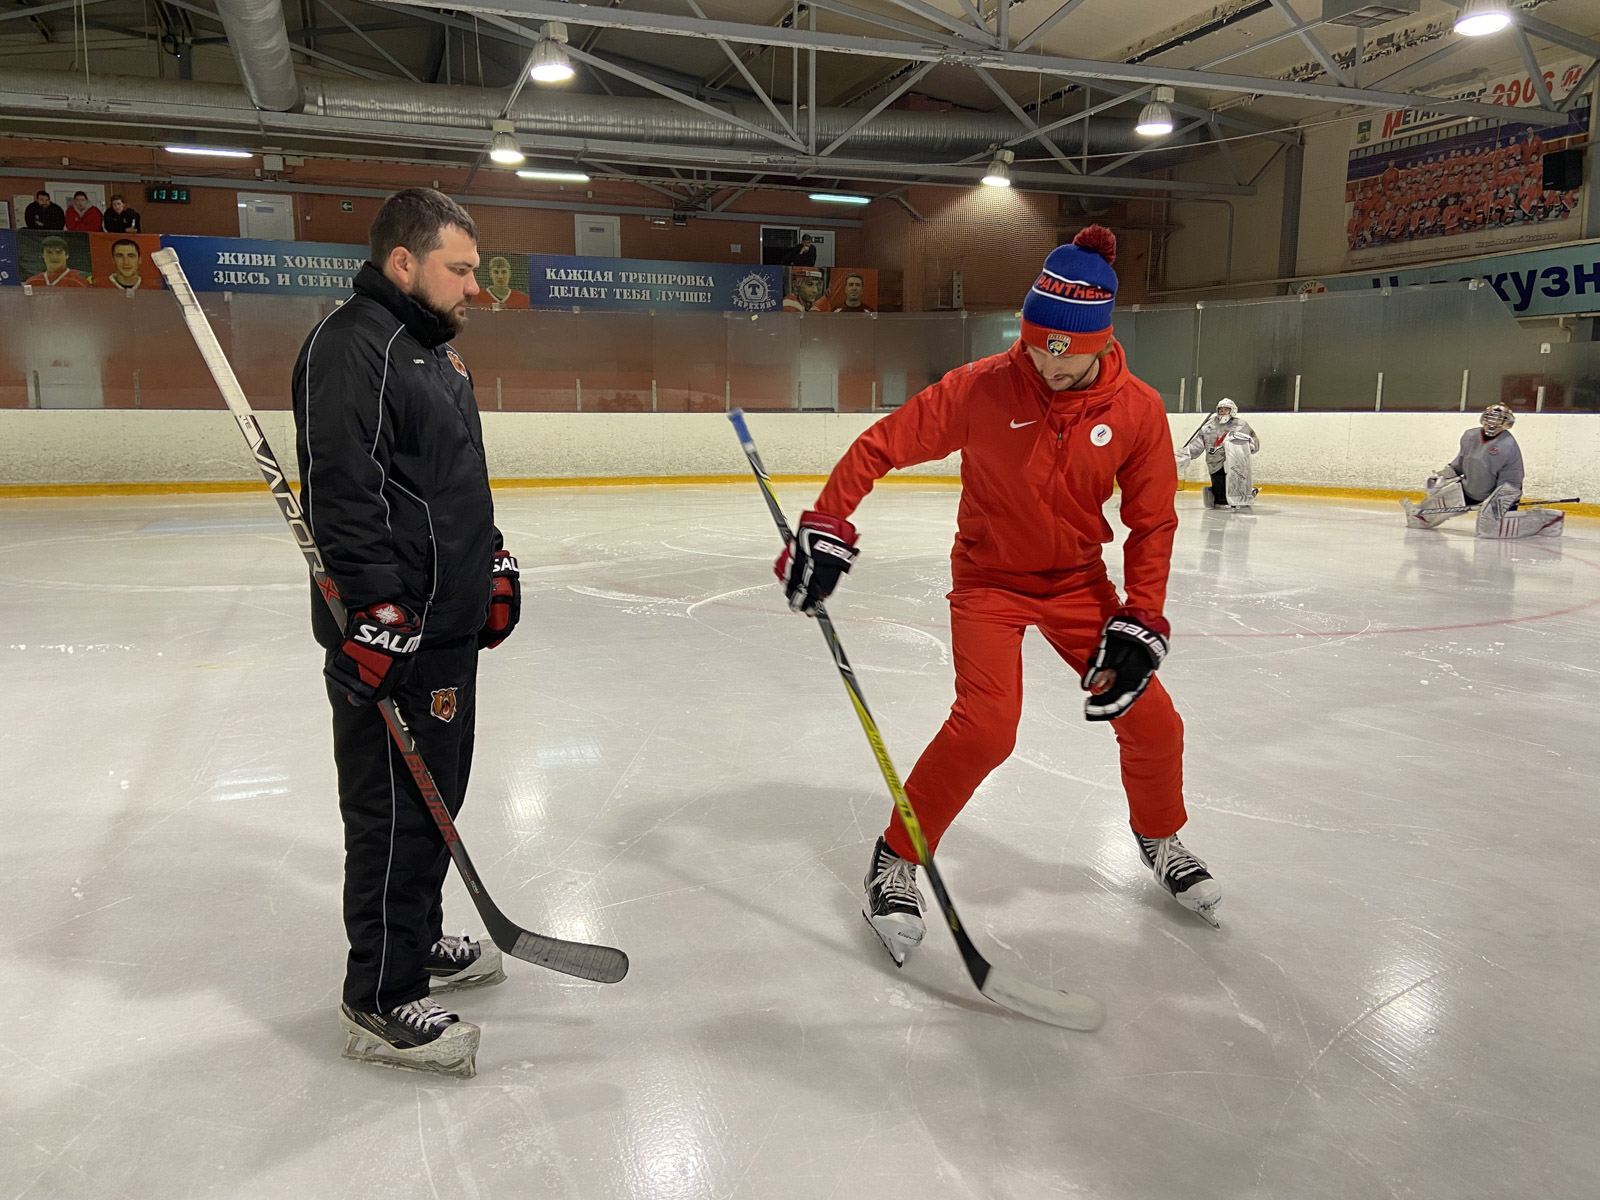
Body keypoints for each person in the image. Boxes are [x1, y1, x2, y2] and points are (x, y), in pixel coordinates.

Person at [774, 225, 1221, 967]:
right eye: (1035, 344)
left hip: (1079, 584)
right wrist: (827, 523)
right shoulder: (983, 386)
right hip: (988, 580)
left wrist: (1142, 616)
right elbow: (879, 445)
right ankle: (895, 858)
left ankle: (1159, 835)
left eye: (1063, 351)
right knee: (986, 729)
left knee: (1155, 721)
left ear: (1100, 340)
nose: (1045, 364)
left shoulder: (1137, 411)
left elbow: (1153, 522)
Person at [291, 188, 521, 1078]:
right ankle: (379, 997)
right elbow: (343, 496)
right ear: (404, 263)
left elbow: (457, 487)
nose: (475, 285)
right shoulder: (353, 348)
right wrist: (376, 613)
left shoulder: (438, 357)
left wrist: (491, 562)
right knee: (392, 811)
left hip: (448, 627)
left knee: (435, 799)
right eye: (460, 268)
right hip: (398, 634)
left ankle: (415, 943)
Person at [1401, 403, 1562, 538]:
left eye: (1499, 419)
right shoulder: (1470, 435)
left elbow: (1512, 482)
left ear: (1507, 423)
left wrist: (1493, 502)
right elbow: (1461, 463)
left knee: (1487, 530)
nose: (1492, 423)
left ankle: (1544, 519)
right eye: (1490, 417)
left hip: (1503, 491)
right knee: (1419, 519)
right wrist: (1442, 476)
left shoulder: (1508, 446)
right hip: (1469, 489)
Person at [1175, 398, 1259, 510]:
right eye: (1220, 410)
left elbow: (1253, 443)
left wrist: (1250, 445)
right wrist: (1183, 455)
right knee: (1220, 496)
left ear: (1232, 410)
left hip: (1234, 463)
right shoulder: (1209, 426)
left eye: (1226, 409)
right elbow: (1197, 445)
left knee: (1236, 485)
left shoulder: (1241, 425)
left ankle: (1245, 494)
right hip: (1214, 462)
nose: (1223, 412)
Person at [24, 236, 90, 288]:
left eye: (59, 252)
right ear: (43, 255)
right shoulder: (32, 282)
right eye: (49, 252)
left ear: (67, 255)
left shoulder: (79, 280)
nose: (54, 257)